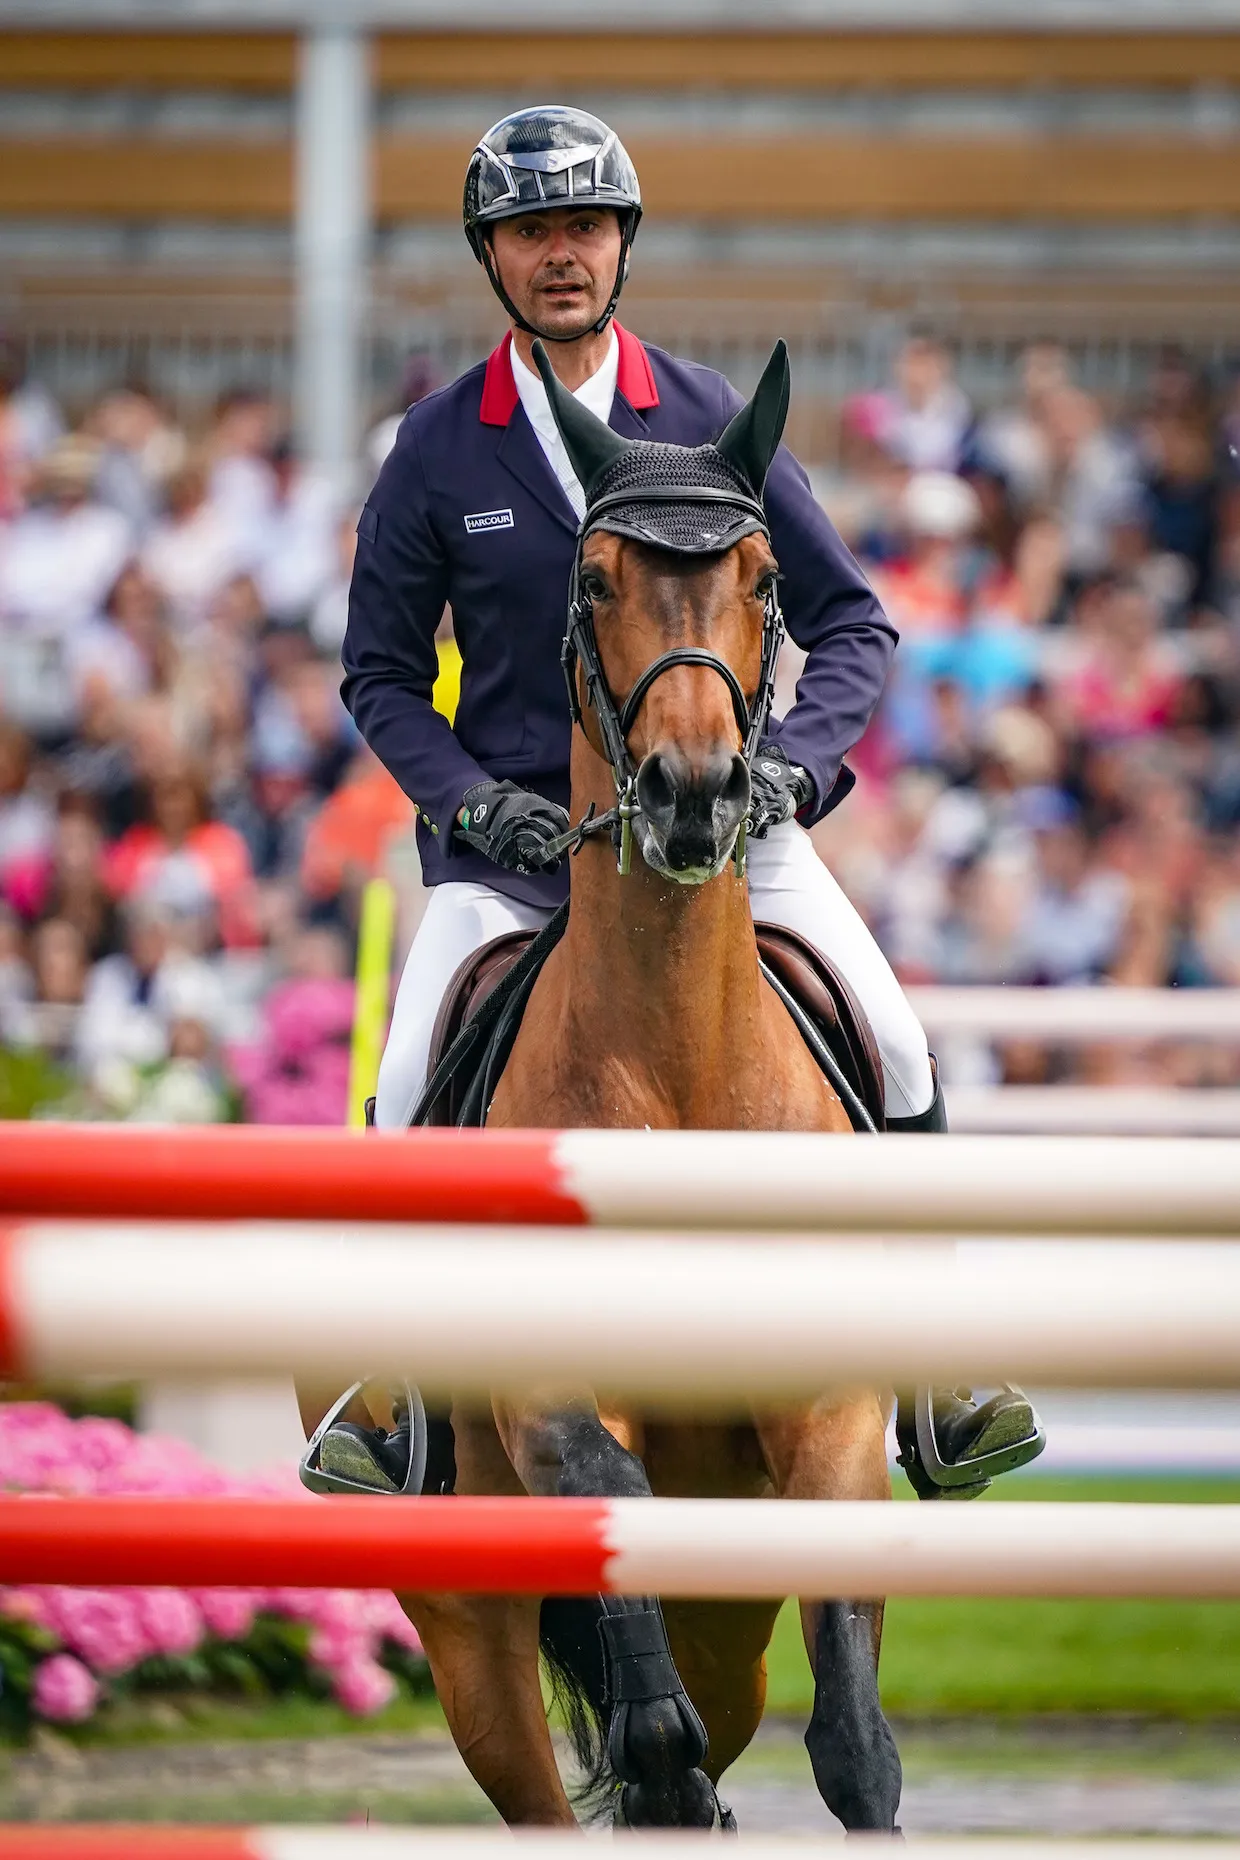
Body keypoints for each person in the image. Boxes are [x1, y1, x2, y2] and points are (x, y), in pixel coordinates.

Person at [338, 106, 1041, 1497]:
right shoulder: (435, 446)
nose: (561, 255)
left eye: (585, 227)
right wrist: (474, 807)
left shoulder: (714, 416)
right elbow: (378, 676)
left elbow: (855, 626)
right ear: (492, 254)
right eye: (532, 231)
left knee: (894, 1046)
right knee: (405, 1082)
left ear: (623, 243)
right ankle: (388, 1393)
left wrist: (799, 769)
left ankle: (943, 1370)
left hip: (724, 829)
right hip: (520, 855)